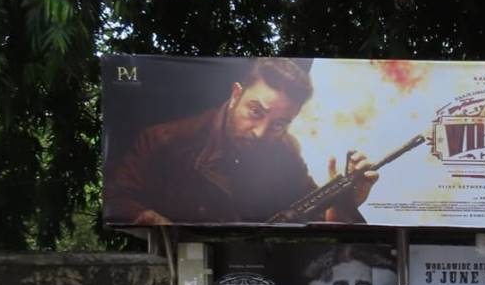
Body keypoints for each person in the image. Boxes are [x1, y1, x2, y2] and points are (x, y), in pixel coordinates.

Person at [106, 58, 379, 226]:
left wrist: (343, 200)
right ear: (236, 95)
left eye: (279, 124)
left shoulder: (285, 150)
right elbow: (117, 199)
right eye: (256, 112)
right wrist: (163, 226)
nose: (261, 132)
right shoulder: (164, 140)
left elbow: (317, 218)